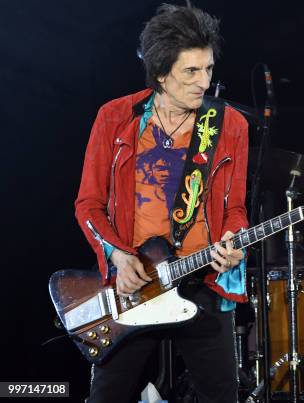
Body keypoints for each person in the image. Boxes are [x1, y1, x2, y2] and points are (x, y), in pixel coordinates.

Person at [75, 4, 248, 402]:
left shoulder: (229, 125)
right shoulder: (116, 118)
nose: (203, 82)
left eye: (208, 69)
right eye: (191, 71)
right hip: (136, 286)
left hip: (203, 282)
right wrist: (118, 256)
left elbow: (235, 209)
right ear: (159, 74)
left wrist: (233, 240)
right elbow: (88, 205)